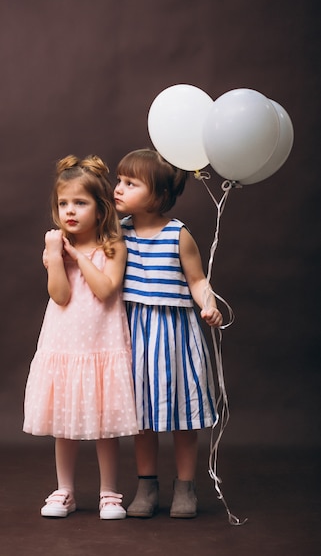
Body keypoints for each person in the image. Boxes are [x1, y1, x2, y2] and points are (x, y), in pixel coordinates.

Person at [23, 154, 138, 520]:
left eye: (80, 203)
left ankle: (109, 492)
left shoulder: (112, 248)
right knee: (64, 423)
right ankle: (65, 490)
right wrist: (56, 257)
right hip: (65, 345)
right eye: (63, 203)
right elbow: (59, 295)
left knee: (107, 425)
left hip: (102, 344)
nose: (70, 211)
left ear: (101, 209)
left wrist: (77, 254)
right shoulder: (55, 249)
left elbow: (105, 289)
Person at [114, 148, 222, 519]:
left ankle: (185, 486)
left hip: (174, 335)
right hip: (134, 334)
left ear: (158, 195)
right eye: (119, 181)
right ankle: (147, 485)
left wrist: (208, 305)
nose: (118, 188)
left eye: (130, 183)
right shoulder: (119, 233)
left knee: (182, 416)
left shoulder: (178, 234)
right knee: (142, 418)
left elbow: (197, 279)